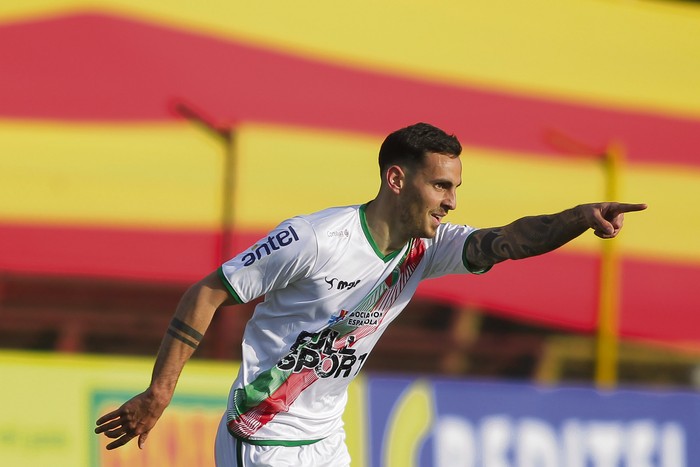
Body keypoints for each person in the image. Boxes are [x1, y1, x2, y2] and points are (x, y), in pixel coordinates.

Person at [95, 122, 647, 466]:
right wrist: (160, 392)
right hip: (263, 439)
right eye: (442, 186)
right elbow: (208, 291)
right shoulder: (315, 238)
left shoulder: (428, 246)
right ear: (397, 180)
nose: (452, 202)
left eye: (457, 188)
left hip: (326, 443)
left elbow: (506, 241)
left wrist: (578, 217)